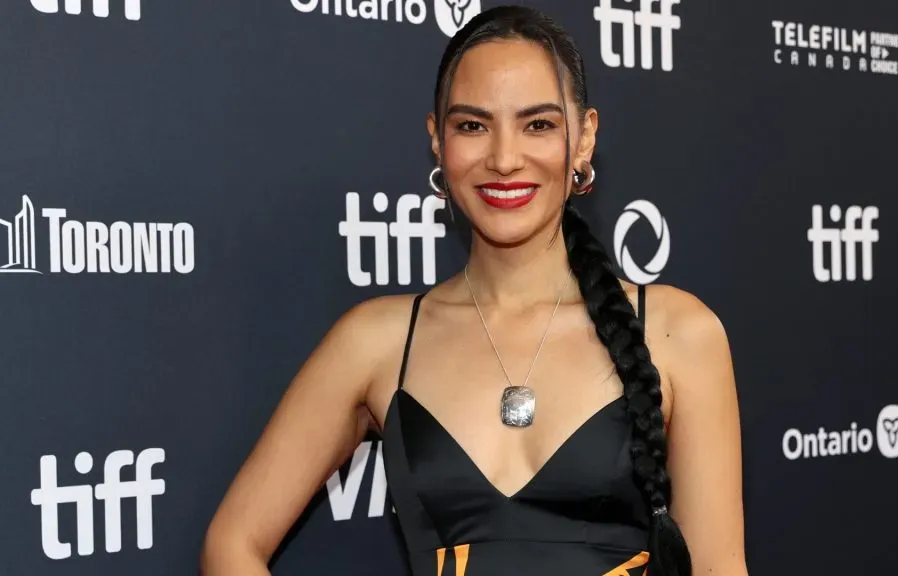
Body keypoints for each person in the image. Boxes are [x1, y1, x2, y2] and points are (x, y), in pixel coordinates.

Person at [200, 5, 747, 576]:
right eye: (472, 126)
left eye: (538, 125)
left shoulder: (678, 333)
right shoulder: (377, 342)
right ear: (438, 141)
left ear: (584, 138)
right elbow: (232, 543)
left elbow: (718, 567)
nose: (504, 159)